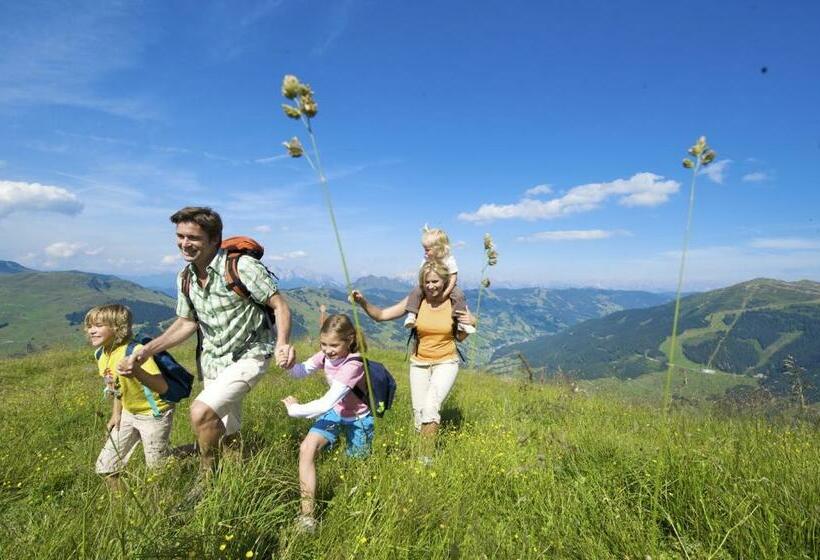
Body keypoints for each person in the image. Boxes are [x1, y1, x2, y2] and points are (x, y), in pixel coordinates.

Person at [121, 206, 295, 478]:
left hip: (250, 354)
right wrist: (148, 350)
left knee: (201, 412)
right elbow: (187, 322)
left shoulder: (242, 267)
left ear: (214, 239)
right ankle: (236, 481)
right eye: (180, 236)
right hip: (213, 361)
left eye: (193, 238)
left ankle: (206, 478)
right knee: (228, 425)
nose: (184, 244)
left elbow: (280, 306)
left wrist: (282, 343)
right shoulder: (185, 277)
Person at [352, 261, 475, 463]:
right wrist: (363, 302)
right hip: (419, 363)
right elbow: (381, 315)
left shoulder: (455, 302)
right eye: (426, 282)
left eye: (435, 281)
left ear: (445, 281)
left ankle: (426, 460)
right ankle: (420, 454)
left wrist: (472, 322)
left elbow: (461, 336)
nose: (431, 286)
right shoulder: (416, 301)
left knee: (430, 407)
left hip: (446, 362)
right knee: (419, 414)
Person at [281, 314, 373, 532]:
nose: (327, 350)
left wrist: (295, 410)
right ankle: (307, 518)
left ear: (349, 340)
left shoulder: (354, 364)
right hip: (335, 413)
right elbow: (300, 372)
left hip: (358, 419)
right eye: (323, 344)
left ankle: (356, 506)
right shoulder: (326, 356)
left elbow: (326, 402)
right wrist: (288, 364)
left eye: (333, 345)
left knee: (355, 466)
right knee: (307, 449)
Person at [85, 304, 173, 490]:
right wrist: (116, 413)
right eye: (90, 326)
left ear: (117, 327)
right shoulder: (101, 353)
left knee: (158, 471)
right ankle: (122, 506)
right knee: (105, 467)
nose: (91, 330)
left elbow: (162, 387)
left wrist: (137, 372)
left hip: (154, 413)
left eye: (98, 325)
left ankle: (193, 452)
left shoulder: (136, 351)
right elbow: (117, 387)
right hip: (128, 414)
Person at [404, 226, 474, 334]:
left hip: (448, 285)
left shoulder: (448, 258)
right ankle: (411, 315)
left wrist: (446, 293)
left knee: (459, 295)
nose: (425, 252)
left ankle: (462, 322)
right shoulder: (426, 258)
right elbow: (422, 274)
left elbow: (454, 277)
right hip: (429, 284)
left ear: (438, 248)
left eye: (427, 249)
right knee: (415, 292)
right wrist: (425, 288)